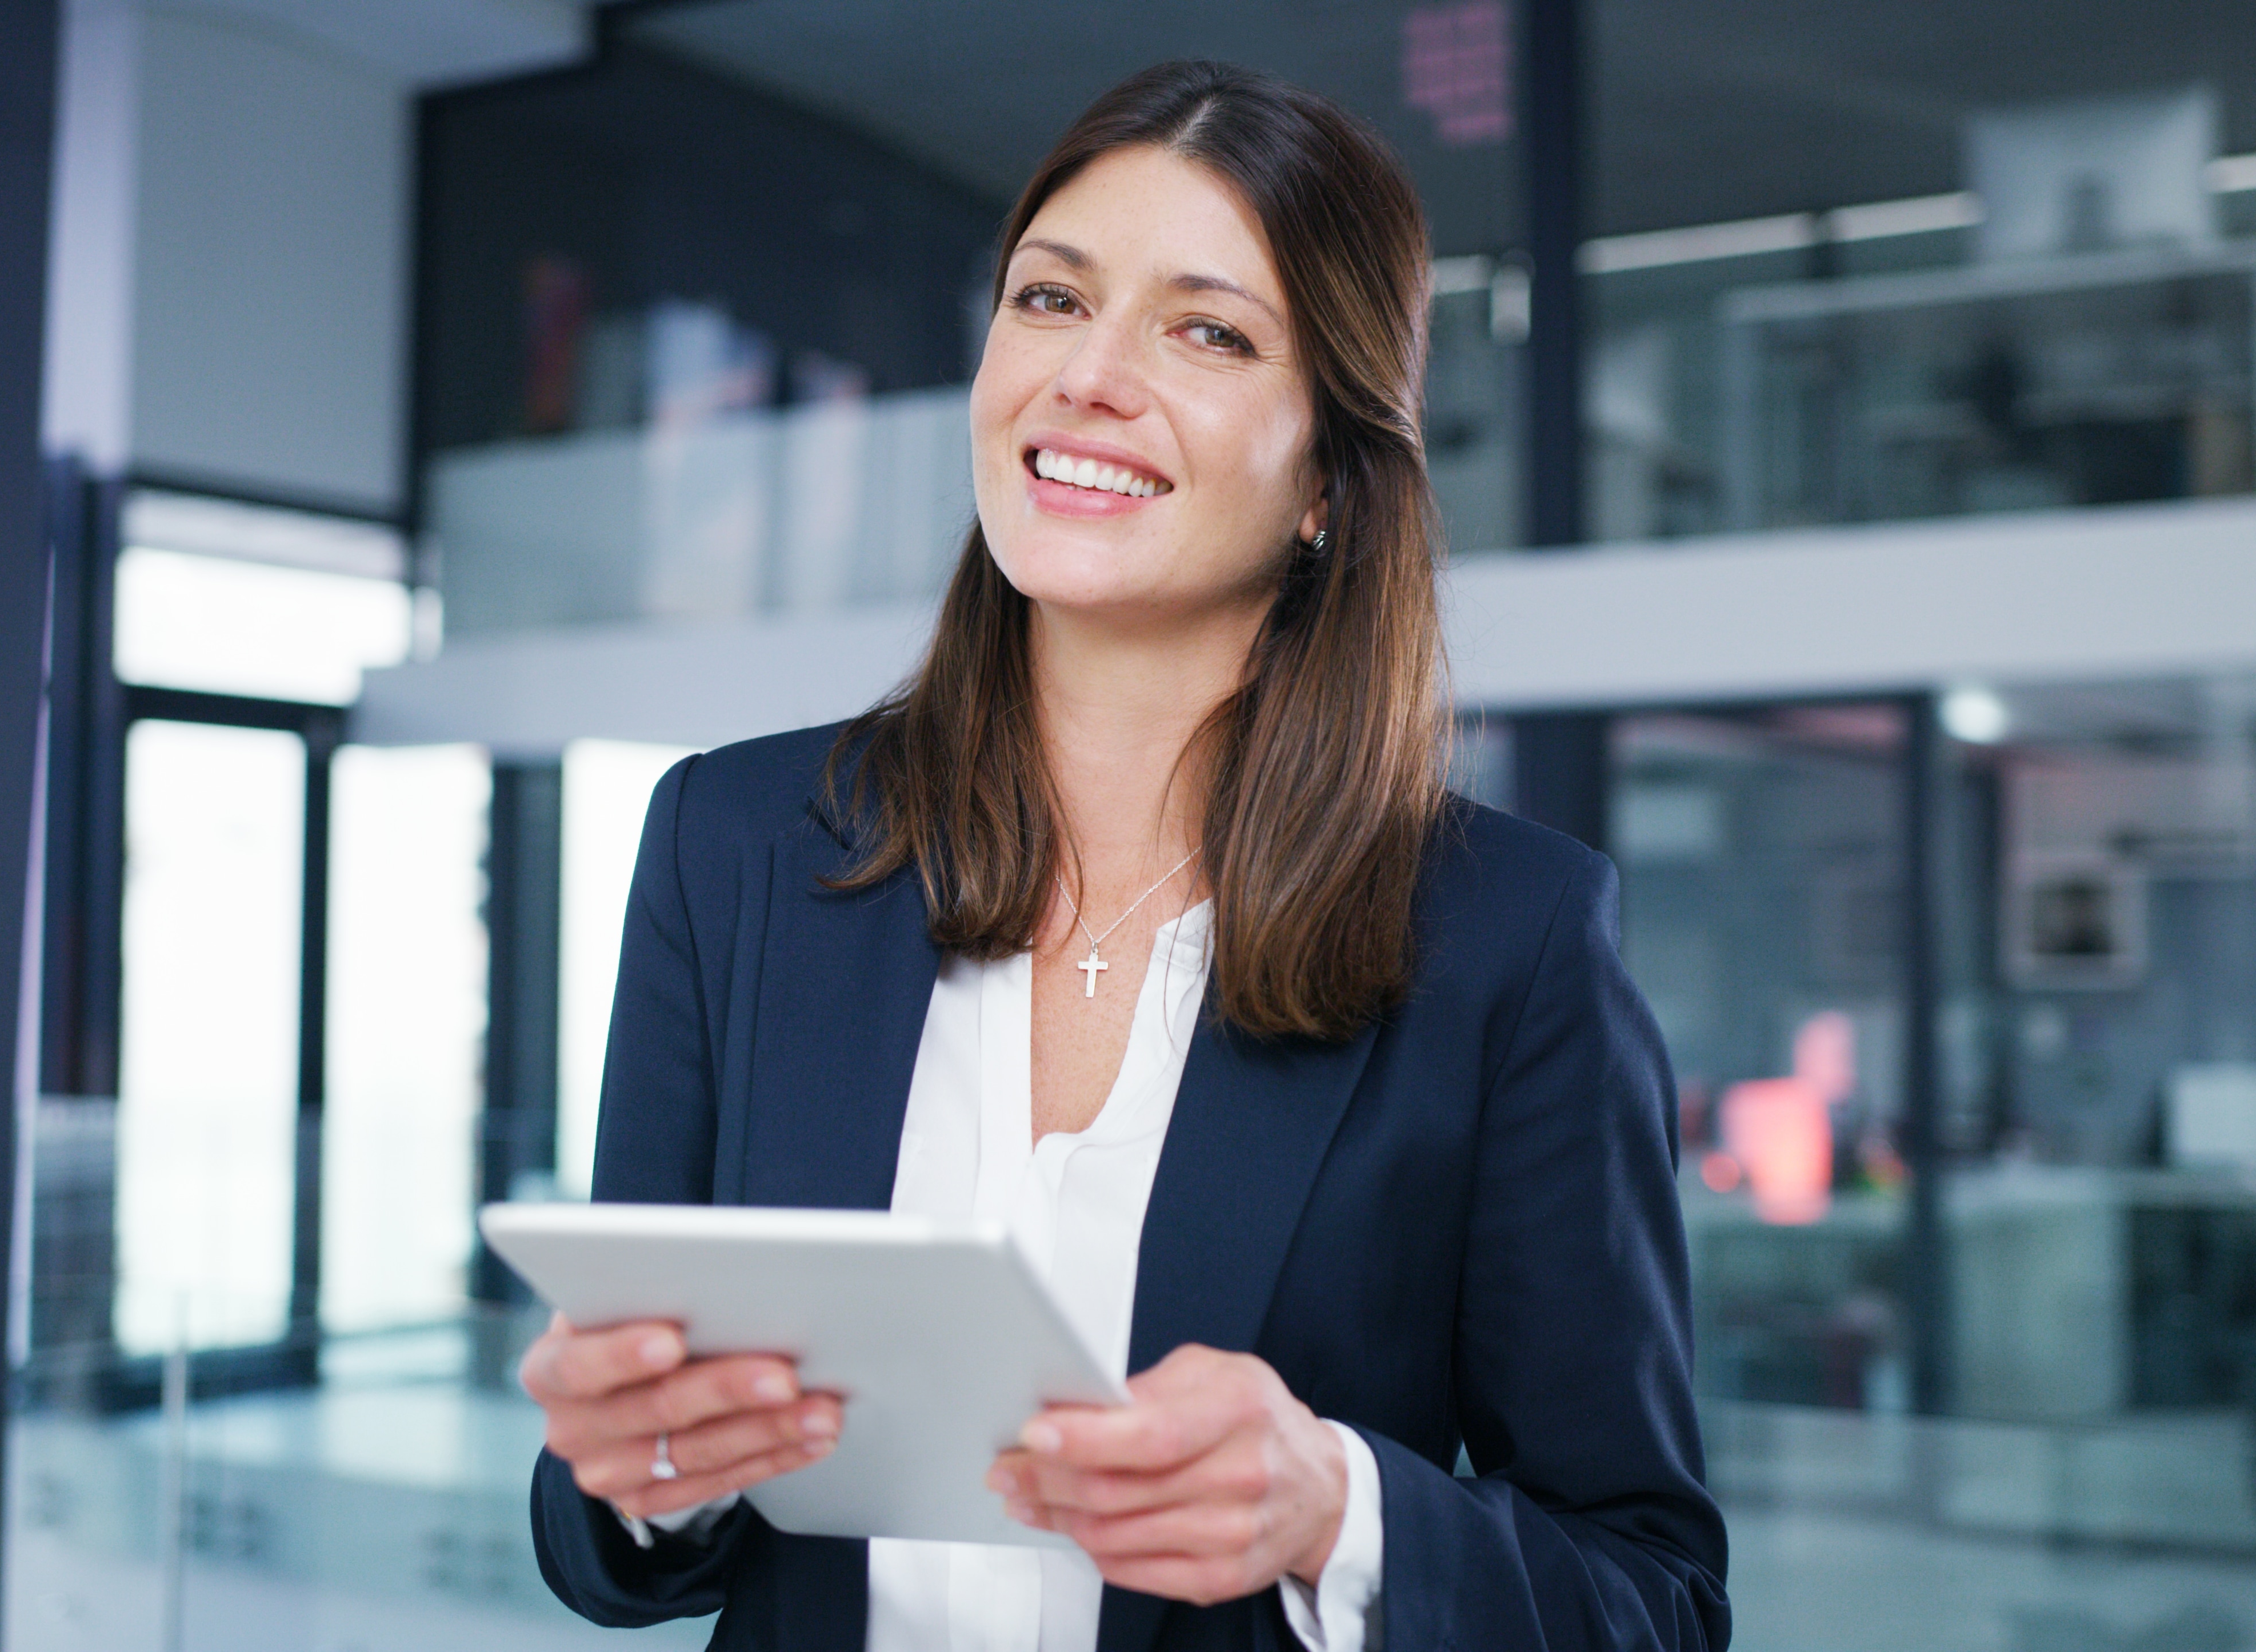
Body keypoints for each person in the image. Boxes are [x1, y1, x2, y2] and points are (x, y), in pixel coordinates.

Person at [516, 58, 1729, 1652]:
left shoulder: (1507, 940)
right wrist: (640, 1466)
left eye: (1207, 329)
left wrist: (1336, 1511)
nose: (1087, 375)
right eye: (1049, 298)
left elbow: (1650, 1595)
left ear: (1325, 481)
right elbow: (612, 1545)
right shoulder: (729, 846)